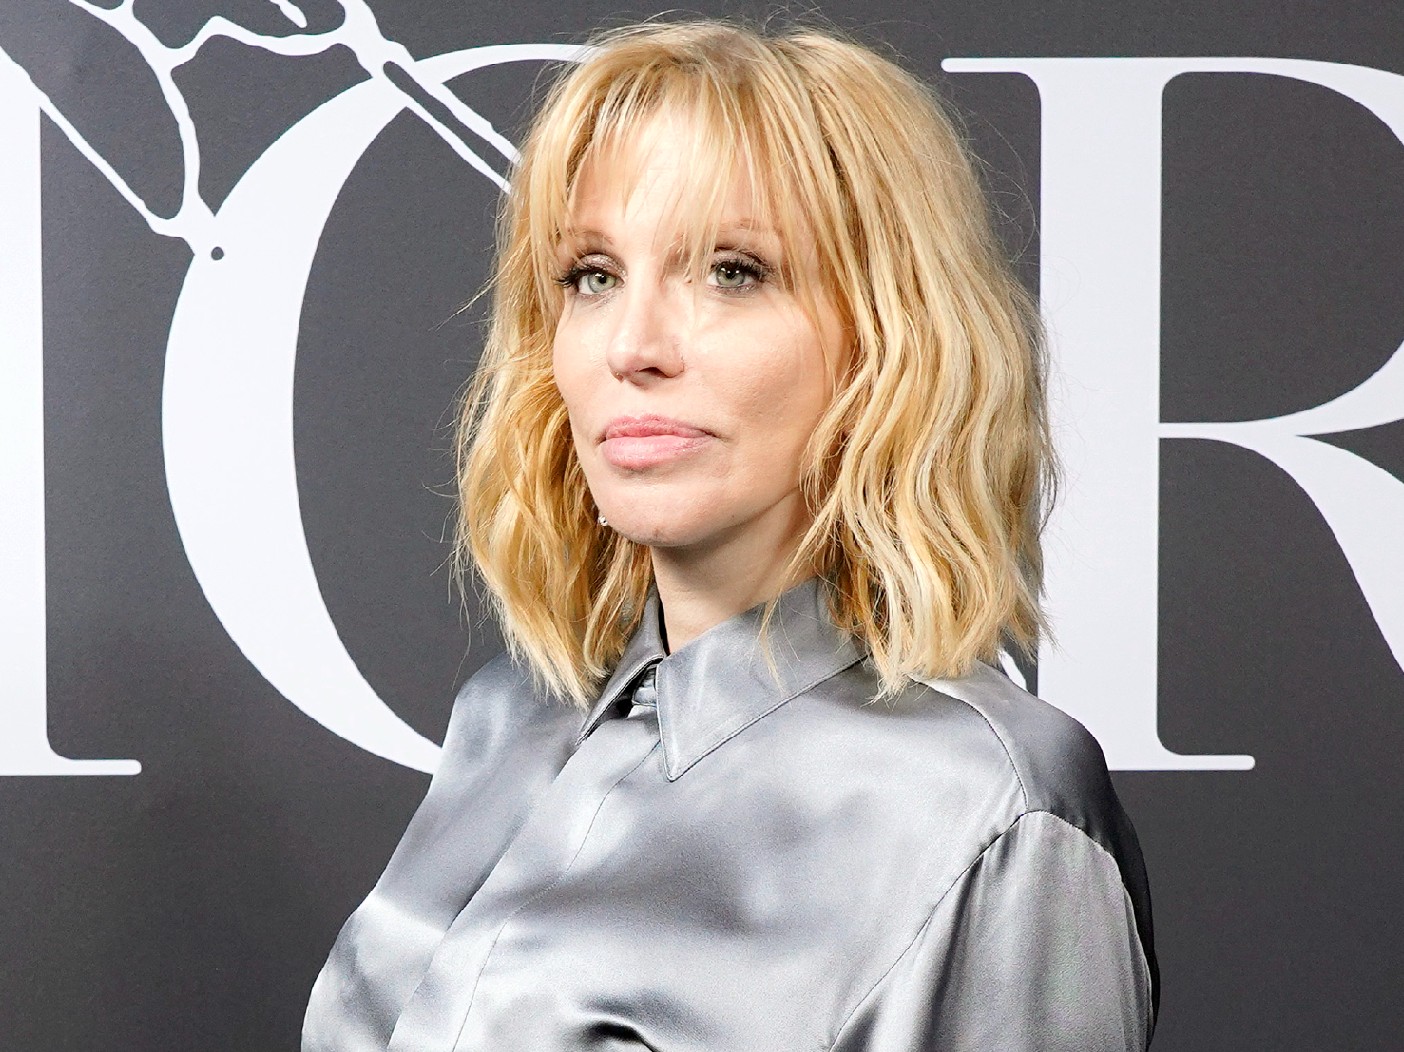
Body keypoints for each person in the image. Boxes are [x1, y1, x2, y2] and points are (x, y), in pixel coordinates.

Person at [302, 18, 1157, 1052]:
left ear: (886, 338)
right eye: (593, 275)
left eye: (734, 271)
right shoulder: (505, 717)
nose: (634, 345)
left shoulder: (1000, 804)